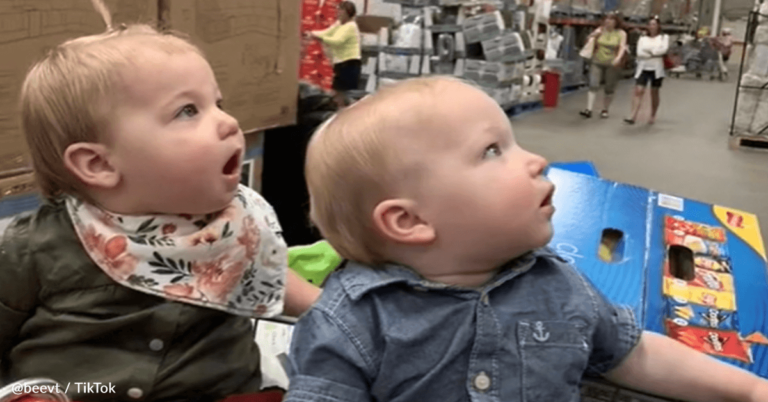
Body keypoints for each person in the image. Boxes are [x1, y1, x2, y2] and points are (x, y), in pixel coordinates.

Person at [285, 76, 768, 402]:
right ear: (410, 222)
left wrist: (748, 390)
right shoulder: (350, 324)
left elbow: (633, 353)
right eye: (493, 150)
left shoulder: (559, 286)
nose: (536, 159)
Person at [0, 2, 320, 401]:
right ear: (98, 163)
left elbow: (266, 273)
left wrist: (335, 313)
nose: (230, 122)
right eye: (188, 111)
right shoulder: (34, 248)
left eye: (217, 104)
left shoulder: (238, 222)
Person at [307, 1, 361, 108]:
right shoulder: (339, 24)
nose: (337, 13)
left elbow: (337, 41)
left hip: (349, 64)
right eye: (338, 10)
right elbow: (326, 32)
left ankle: (346, 116)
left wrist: (320, 38)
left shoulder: (351, 26)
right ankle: (341, 113)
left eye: (341, 11)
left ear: (348, 13)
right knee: (337, 93)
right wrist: (311, 33)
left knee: (343, 94)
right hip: (340, 64)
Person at [580, 12, 628, 119]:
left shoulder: (621, 33)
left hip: (612, 63)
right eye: (607, 19)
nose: (608, 22)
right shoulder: (600, 30)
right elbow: (588, 41)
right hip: (597, 60)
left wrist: (618, 58)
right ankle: (589, 109)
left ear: (616, 22)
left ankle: (605, 109)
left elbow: (622, 47)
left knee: (609, 87)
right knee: (593, 84)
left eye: (611, 20)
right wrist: (594, 34)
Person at [625, 16, 669, 125]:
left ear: (658, 26)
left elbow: (663, 50)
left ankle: (653, 114)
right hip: (643, 67)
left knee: (654, 92)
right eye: (650, 24)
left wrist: (649, 51)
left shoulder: (664, 37)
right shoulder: (642, 38)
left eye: (654, 24)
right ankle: (633, 115)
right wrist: (654, 52)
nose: (652, 27)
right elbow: (640, 52)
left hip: (657, 69)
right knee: (638, 90)